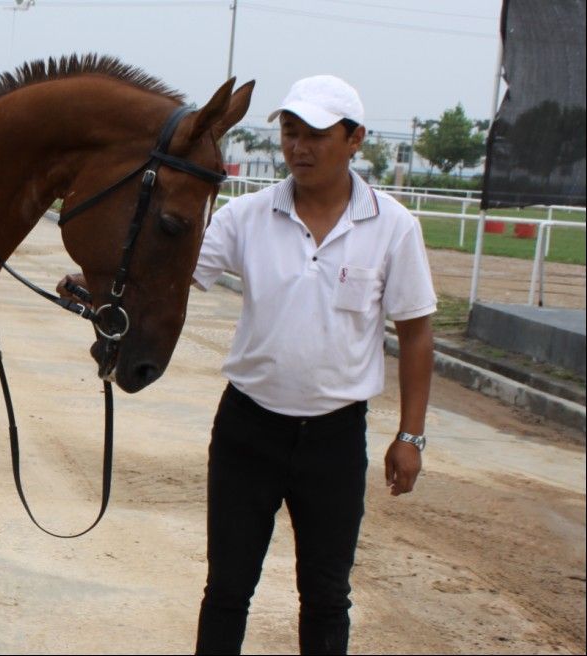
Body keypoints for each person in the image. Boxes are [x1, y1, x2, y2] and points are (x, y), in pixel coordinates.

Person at [189, 75, 436, 655]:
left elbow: (418, 334)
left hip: (335, 437)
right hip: (247, 430)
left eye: (317, 135)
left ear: (355, 140)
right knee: (227, 588)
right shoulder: (244, 217)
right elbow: (177, 281)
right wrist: (100, 287)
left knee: (326, 595)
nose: (299, 147)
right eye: (290, 132)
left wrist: (411, 436)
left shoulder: (393, 226)